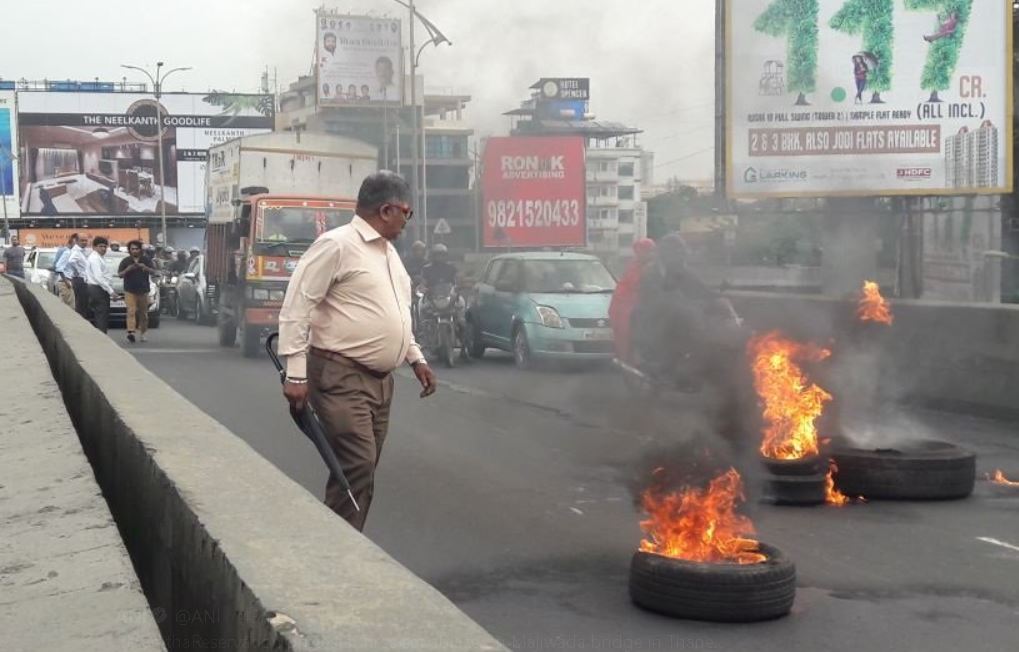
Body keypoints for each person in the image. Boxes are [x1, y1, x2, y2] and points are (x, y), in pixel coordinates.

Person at [278, 171, 437, 531]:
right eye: (406, 214)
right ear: (386, 209)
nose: (407, 222)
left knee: (362, 471)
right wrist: (296, 372)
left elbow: (395, 312)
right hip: (340, 375)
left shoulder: (388, 253)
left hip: (381, 382)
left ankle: (346, 542)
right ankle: (336, 552)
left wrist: (415, 358)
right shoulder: (337, 245)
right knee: (357, 463)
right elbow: (297, 306)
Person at [609, 238, 657, 363]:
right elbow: (639, 287)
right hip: (624, 308)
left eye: (651, 251)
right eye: (647, 251)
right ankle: (628, 362)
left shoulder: (643, 265)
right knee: (626, 338)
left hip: (626, 306)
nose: (650, 254)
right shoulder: (637, 267)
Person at [118, 240, 158, 343]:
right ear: (129, 250)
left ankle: (143, 333)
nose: (134, 251)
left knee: (143, 313)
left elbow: (154, 271)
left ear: (140, 249)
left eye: (136, 248)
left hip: (143, 290)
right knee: (131, 311)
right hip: (129, 289)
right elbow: (120, 274)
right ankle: (131, 332)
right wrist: (128, 269)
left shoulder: (146, 260)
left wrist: (145, 267)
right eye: (132, 249)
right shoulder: (125, 261)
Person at [84, 237, 120, 334]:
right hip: (97, 288)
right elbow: (98, 277)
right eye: (100, 246)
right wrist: (111, 291)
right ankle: (102, 336)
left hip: (98, 288)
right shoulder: (95, 259)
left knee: (102, 314)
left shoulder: (100, 258)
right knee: (101, 315)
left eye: (105, 246)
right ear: (94, 247)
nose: (103, 248)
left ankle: (102, 334)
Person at [66, 236, 91, 317]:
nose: (84, 242)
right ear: (77, 241)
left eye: (85, 240)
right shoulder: (76, 251)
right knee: (81, 303)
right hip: (79, 279)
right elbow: (71, 261)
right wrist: (78, 271)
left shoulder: (82, 251)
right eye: (82, 240)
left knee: (83, 303)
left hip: (82, 279)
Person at [53, 233, 79, 308]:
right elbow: (59, 267)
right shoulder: (67, 252)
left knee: (63, 306)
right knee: (70, 307)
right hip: (65, 282)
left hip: (64, 282)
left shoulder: (67, 251)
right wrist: (66, 282)